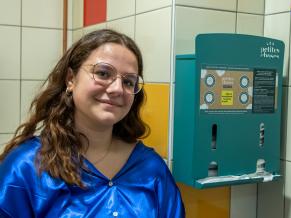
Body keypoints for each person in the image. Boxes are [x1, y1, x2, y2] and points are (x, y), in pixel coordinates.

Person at [0, 29, 185, 217]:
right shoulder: (27, 167)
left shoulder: (151, 169)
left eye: (128, 82)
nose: (117, 89)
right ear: (71, 79)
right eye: (103, 73)